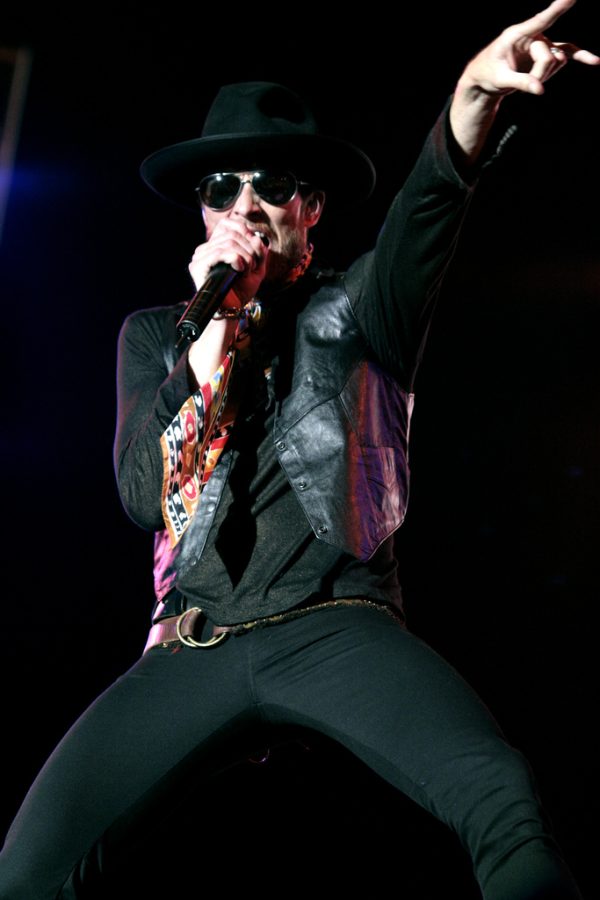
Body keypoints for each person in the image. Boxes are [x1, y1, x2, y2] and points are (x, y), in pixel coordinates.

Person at [0, 1, 597, 897]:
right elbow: (137, 496)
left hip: (334, 624)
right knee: (28, 869)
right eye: (221, 190)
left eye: (271, 184)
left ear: (309, 209)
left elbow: (433, 197)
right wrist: (201, 363)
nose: (245, 205)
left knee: (500, 796)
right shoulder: (159, 337)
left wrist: (477, 91)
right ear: (201, 218)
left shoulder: (361, 309)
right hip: (190, 645)